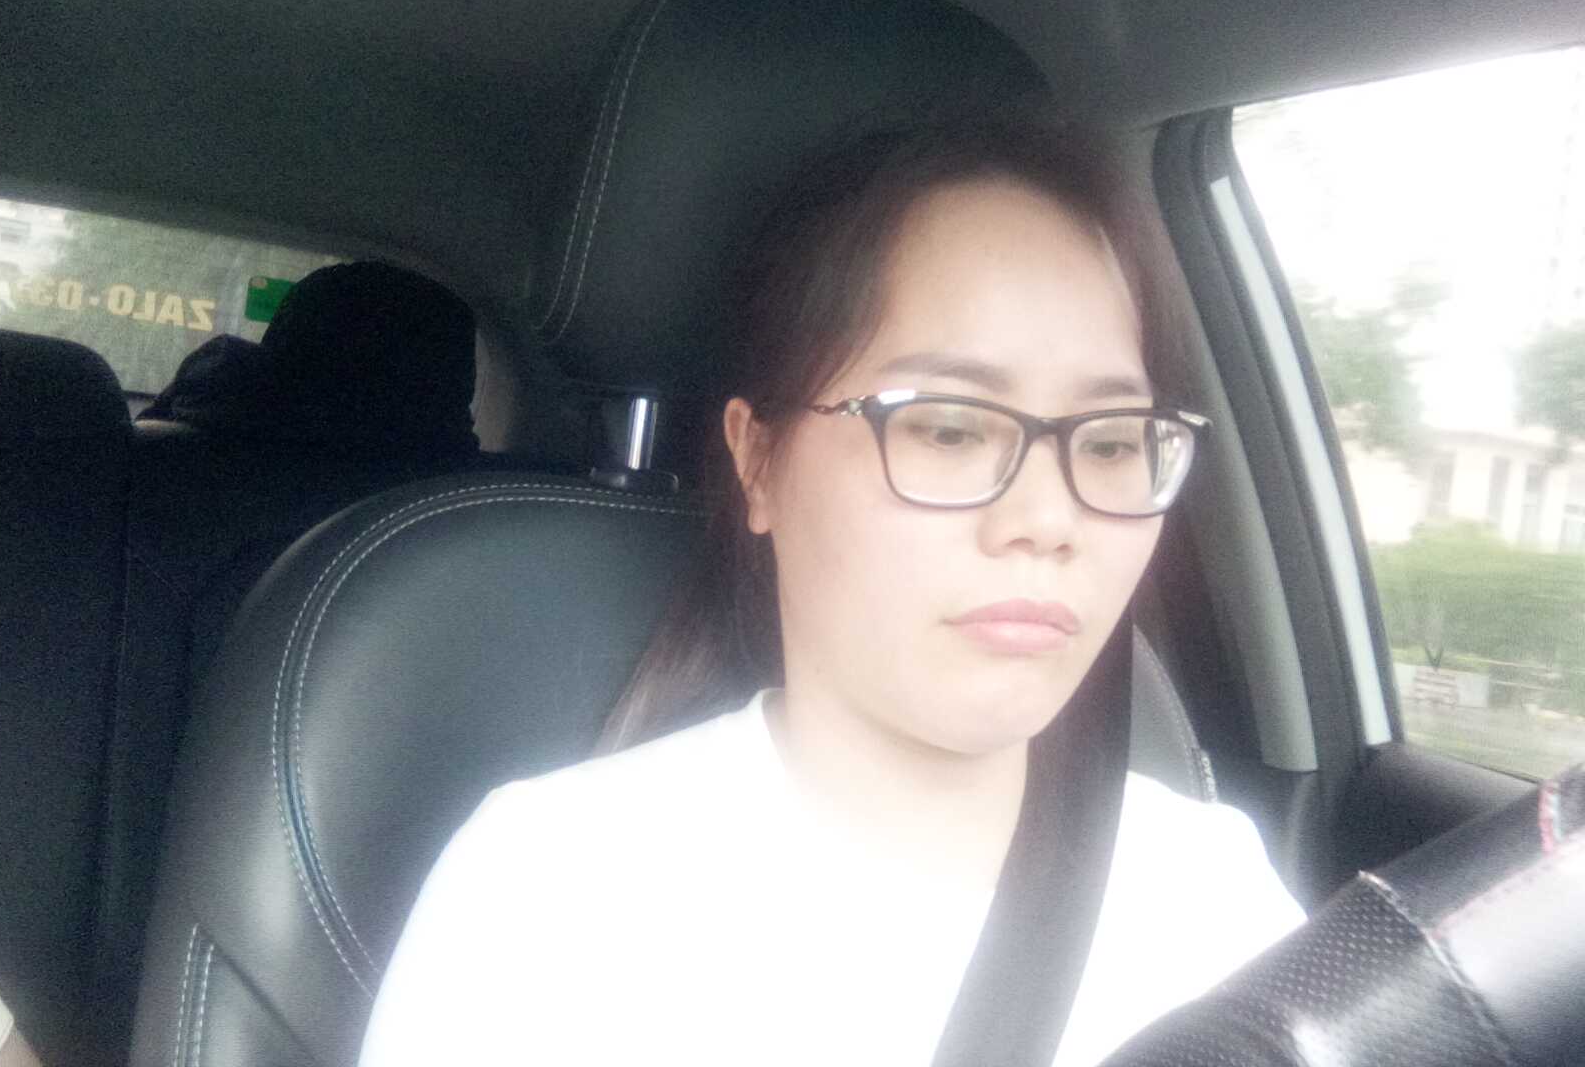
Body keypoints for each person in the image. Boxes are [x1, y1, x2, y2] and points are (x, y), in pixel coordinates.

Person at [358, 115, 1307, 1066]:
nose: (1050, 519)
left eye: (1109, 443)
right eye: (946, 429)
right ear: (759, 461)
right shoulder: (549, 897)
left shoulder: (1218, 897)